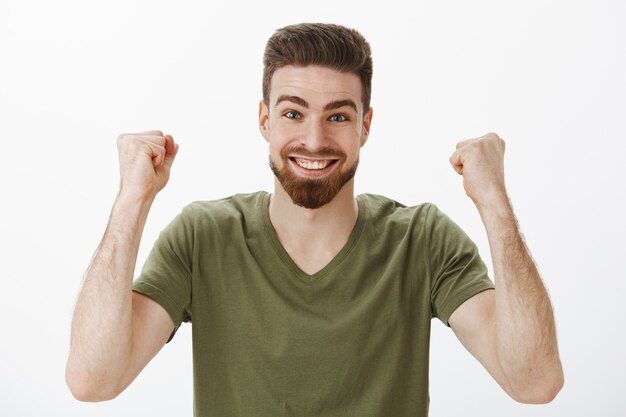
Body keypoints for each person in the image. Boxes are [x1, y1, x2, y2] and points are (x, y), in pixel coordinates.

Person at [66, 23, 564, 416]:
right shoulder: (204, 237)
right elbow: (93, 380)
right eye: (292, 113)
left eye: (338, 116)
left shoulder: (423, 241)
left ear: (365, 126)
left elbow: (535, 382)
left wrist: (495, 203)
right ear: (264, 120)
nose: (314, 139)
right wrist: (133, 200)